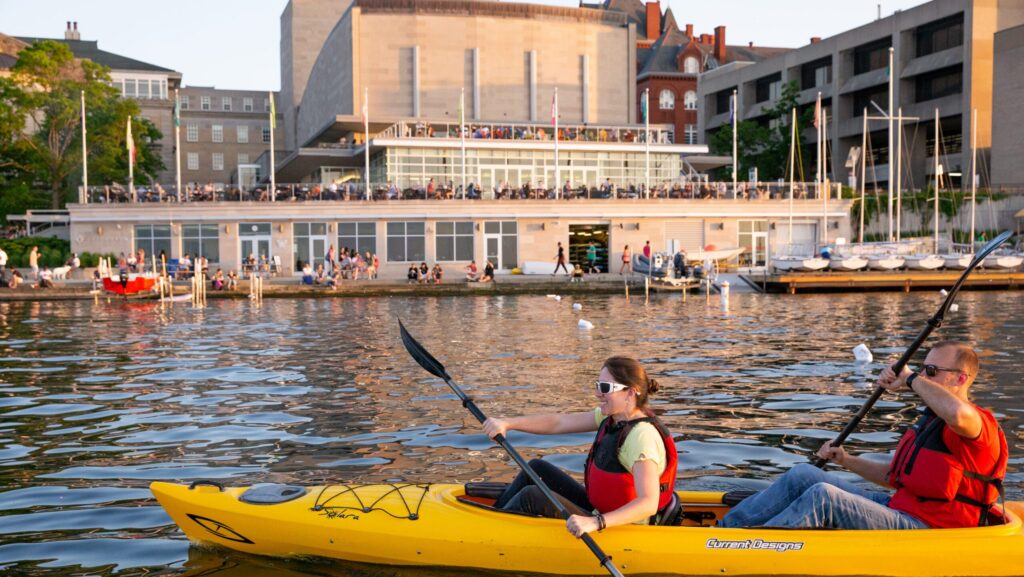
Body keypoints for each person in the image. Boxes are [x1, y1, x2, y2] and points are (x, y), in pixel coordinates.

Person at [720, 341, 1008, 530]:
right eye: (922, 368)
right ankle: (725, 531)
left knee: (824, 496)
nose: (923, 375)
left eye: (931, 371)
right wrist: (846, 460)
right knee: (803, 474)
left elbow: (958, 414)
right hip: (899, 509)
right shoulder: (932, 421)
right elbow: (894, 478)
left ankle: (755, 548)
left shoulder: (975, 422)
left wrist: (909, 378)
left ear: (960, 378)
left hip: (931, 529)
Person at [482, 356, 679, 535]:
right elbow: (558, 423)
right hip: (599, 511)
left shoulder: (641, 437)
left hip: (623, 528)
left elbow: (648, 504)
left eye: (605, 388)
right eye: (597, 385)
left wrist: (595, 522)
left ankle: (491, 536)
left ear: (630, 392)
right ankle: (490, 520)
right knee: (535, 469)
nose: (597, 394)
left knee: (532, 496)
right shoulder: (611, 417)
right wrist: (508, 423)